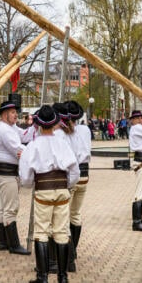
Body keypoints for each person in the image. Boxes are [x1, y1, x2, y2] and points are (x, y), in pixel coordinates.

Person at [19, 105, 80, 283]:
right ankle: (62, 277)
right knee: (61, 232)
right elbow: (75, 171)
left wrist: (33, 184)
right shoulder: (63, 143)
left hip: (43, 191)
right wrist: (65, 185)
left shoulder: (32, 145)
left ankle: (43, 277)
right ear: (54, 124)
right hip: (61, 189)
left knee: (41, 232)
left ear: (38, 124)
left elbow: (25, 177)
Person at [0, 93, 29, 256]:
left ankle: (3, 242)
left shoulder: (10, 127)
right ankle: (14, 245)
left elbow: (24, 135)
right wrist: (35, 153)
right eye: (13, 112)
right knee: (11, 208)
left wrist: (36, 127)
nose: (16, 114)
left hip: (6, 172)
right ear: (5, 114)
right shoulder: (3, 129)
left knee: (3, 207)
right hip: (6, 173)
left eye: (16, 112)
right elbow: (18, 150)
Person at [61, 101, 92, 272]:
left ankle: (70, 256)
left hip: (72, 175)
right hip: (85, 174)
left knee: (64, 216)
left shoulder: (64, 134)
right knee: (76, 214)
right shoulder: (86, 130)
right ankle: (74, 251)